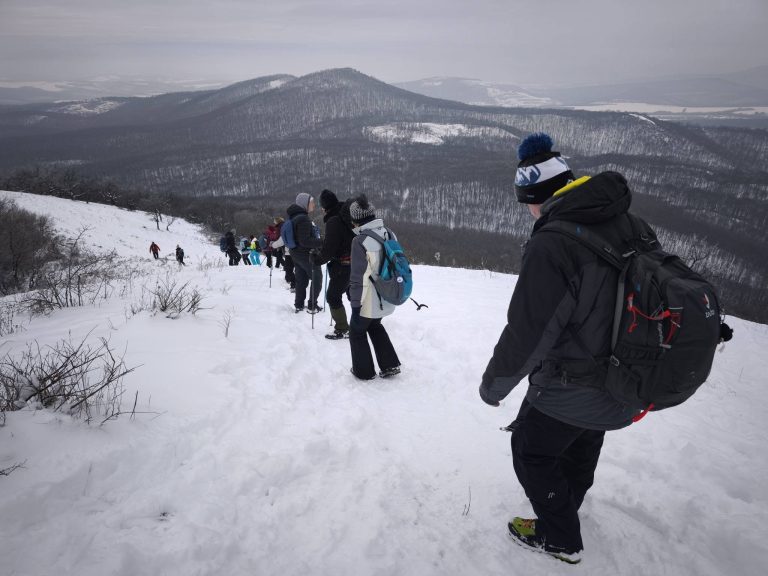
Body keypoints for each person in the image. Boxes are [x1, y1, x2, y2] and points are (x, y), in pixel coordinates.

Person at [479, 133, 661, 565]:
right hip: (623, 376)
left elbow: (529, 331)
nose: (528, 211)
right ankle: (568, 501)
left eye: (527, 202)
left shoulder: (553, 244)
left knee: (530, 451)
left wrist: (494, 386)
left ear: (537, 196)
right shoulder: (628, 222)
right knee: (583, 438)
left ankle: (560, 535)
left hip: (572, 380)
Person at [347, 195, 401, 380]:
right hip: (387, 292)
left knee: (356, 331)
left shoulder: (360, 241)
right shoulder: (389, 233)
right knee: (375, 325)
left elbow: (358, 278)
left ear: (355, 219)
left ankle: (363, 372)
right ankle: (390, 365)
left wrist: (355, 303)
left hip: (369, 299)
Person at [312, 189, 355, 339]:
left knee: (332, 296)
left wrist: (316, 259)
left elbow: (329, 251)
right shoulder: (346, 215)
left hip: (343, 264)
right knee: (354, 295)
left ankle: (343, 329)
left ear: (325, 207)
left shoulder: (333, 221)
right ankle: (363, 324)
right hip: (356, 263)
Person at [287, 193, 323, 312]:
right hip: (305, 255)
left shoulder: (294, 217)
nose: (314, 204)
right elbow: (305, 241)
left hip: (295, 253)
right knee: (317, 278)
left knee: (301, 279)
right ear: (305, 203)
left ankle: (299, 304)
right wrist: (322, 242)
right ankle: (312, 305)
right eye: (311, 202)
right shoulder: (303, 219)